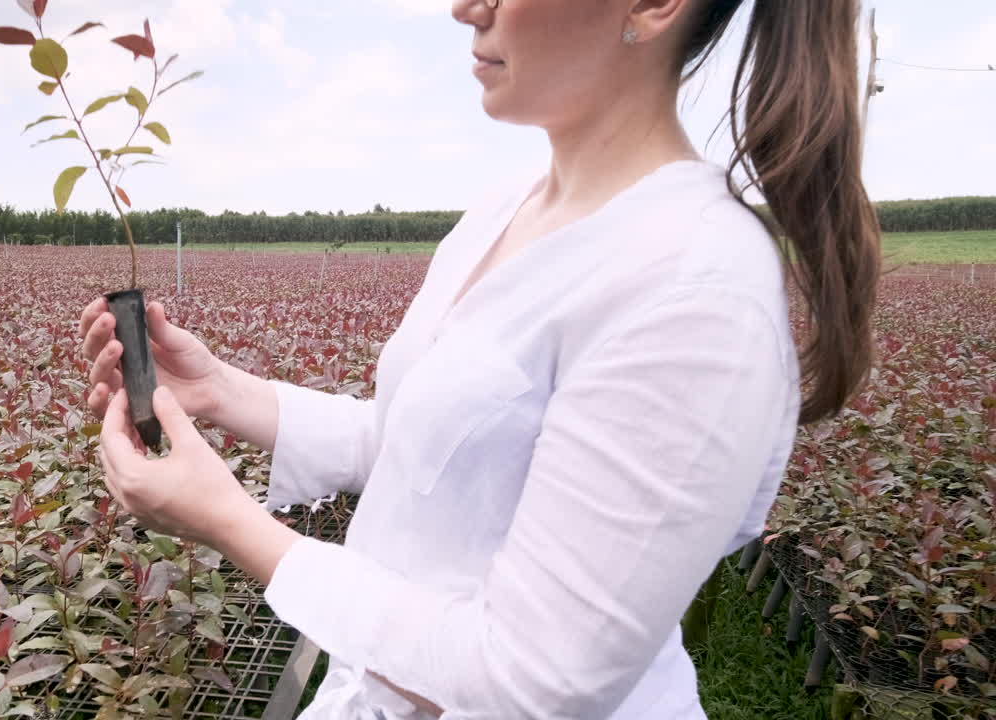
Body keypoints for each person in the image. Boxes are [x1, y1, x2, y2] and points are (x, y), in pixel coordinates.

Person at [77, 0, 881, 716]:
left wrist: (231, 522)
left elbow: (532, 684)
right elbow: (424, 446)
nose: (465, 7)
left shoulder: (693, 284)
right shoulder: (508, 209)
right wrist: (221, 390)